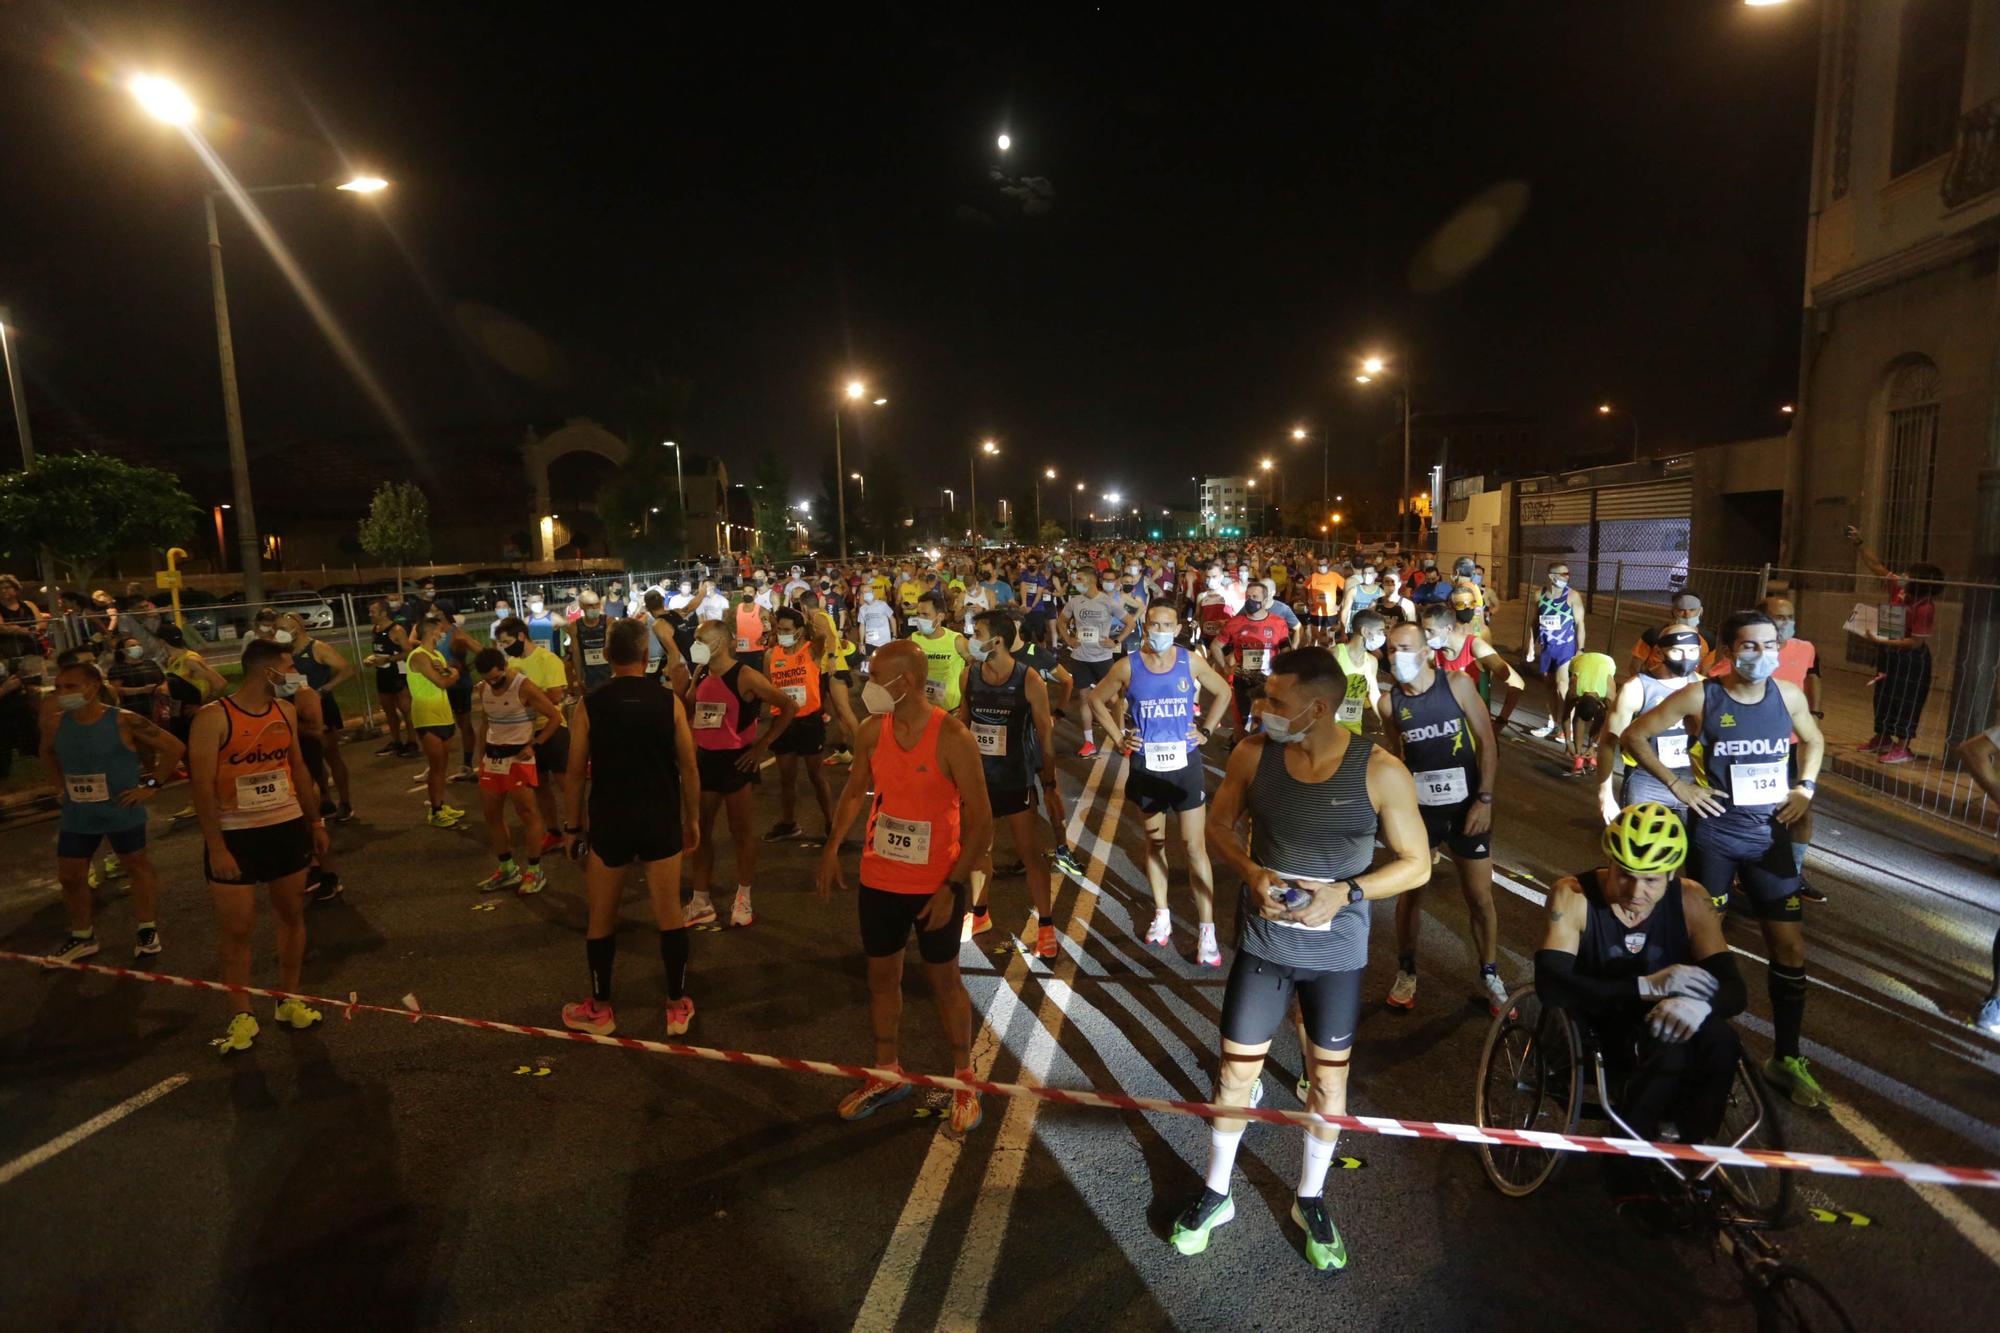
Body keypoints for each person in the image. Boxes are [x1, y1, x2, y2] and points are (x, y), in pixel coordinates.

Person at [1171, 646, 1431, 1269]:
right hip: (1265, 945)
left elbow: (1418, 862)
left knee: (1330, 1084)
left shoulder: (1380, 770)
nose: (1260, 708)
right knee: (1235, 1074)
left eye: (1274, 700)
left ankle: (1309, 1197)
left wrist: (1348, 891)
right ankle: (1216, 1191)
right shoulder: (1252, 754)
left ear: (1317, 708)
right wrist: (1251, 871)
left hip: (1335, 955)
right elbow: (1218, 828)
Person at [1621, 610, 1829, 1110]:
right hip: (1714, 836)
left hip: (1769, 838)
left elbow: (1816, 740)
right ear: (1731, 652)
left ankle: (1787, 1058)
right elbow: (1634, 736)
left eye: (1769, 645)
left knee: (1790, 950)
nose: (1761, 655)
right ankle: (1689, 1045)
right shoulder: (1701, 695)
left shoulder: (1790, 696)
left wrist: (1805, 786)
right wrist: (1678, 785)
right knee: (1703, 946)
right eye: (1749, 647)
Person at [815, 640, 992, 1135]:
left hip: (936, 882)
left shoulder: (953, 737)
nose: (866, 684)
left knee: (945, 982)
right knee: (881, 978)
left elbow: (982, 823)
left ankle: (963, 1079)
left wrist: (950, 886)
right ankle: (887, 1072)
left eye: (875, 676)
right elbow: (855, 790)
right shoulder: (874, 731)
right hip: (880, 878)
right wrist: (833, 846)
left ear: (906, 682)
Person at [1535, 803, 1747, 1145]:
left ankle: (1695, 1146)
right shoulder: (1572, 895)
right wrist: (1645, 986)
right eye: (1624, 875)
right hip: (1599, 1016)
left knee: (1723, 1040)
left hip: (1668, 1014)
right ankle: (1627, 1167)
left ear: (1671, 874)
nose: (1635, 892)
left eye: (1650, 880)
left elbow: (1735, 989)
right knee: (1668, 1052)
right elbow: (1551, 985)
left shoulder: (1692, 899)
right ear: (1610, 863)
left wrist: (1702, 1006)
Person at [559, 619, 704, 1036]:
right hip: (659, 816)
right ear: (646, 657)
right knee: (669, 914)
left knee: (601, 917)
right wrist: (691, 818)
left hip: (610, 818)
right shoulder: (669, 702)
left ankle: (600, 1008)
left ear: (607, 657)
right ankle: (676, 1004)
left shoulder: (590, 704)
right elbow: (689, 766)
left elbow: (574, 774)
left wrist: (572, 827)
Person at [189, 637, 330, 1054]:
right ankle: (242, 1014)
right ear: (267, 672)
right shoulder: (213, 718)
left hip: (284, 827)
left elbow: (298, 769)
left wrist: (316, 822)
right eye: (289, 669)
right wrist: (216, 846)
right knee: (237, 929)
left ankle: (289, 998)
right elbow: (200, 786)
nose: (295, 677)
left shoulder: (285, 711)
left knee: (291, 917)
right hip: (235, 836)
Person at [1377, 622, 1511, 1015]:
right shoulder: (1389, 704)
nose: (1393, 655)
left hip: (1467, 806)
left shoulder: (1456, 685)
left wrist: (1484, 800)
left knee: (1480, 897)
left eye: (1402, 647)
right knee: (1412, 892)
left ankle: (1490, 974)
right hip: (1419, 814)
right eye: (1389, 649)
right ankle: (1406, 970)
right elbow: (1397, 752)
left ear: (1424, 651)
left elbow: (1487, 741)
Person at [1089, 602, 1232, 963]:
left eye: (1167, 624)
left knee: (1194, 847)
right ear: (1145, 626)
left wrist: (1206, 730)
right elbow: (1095, 698)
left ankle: (1206, 929)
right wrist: (1119, 737)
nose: (1160, 630)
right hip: (1147, 765)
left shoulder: (1191, 661)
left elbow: (1224, 692)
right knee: (1155, 842)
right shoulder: (1127, 666)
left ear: (1177, 626)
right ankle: (1163, 914)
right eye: (1154, 624)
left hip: (1185, 763)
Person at [39, 660, 183, 961]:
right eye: (59, 688)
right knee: (70, 875)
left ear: (93, 687)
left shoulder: (123, 720)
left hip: (120, 808)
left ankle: (147, 928)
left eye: (71, 686)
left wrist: (152, 785)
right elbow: (47, 752)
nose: (63, 693)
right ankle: (83, 936)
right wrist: (58, 787)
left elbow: (173, 747)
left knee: (135, 865)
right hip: (79, 812)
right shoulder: (55, 722)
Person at [960, 609, 1061, 956]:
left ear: (997, 640)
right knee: (978, 850)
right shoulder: (969, 675)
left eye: (978, 633)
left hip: (1016, 778)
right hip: (978, 780)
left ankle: (1046, 926)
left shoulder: (1029, 679)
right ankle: (979, 913)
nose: (972, 639)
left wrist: (1049, 779)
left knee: (1029, 853)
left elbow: (1045, 734)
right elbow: (962, 724)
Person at [682, 620, 794, 928]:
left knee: (740, 832)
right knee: (700, 830)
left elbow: (788, 706)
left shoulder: (746, 676)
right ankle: (701, 900)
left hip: (736, 762)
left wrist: (761, 747)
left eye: (700, 639)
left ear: (719, 643)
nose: (695, 644)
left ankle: (743, 897)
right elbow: (690, 706)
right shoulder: (701, 671)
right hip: (705, 760)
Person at [471, 646, 564, 894]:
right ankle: (507, 869)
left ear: (504, 668)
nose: (492, 683)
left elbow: (554, 717)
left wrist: (535, 745)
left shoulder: (524, 686)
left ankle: (535, 871)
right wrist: (481, 758)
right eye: (487, 679)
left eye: (496, 677)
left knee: (527, 813)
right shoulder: (484, 688)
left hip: (518, 758)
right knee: (492, 814)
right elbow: (485, 724)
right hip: (493, 758)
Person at [1848, 526, 1941, 766]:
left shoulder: (1924, 606)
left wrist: (1882, 641)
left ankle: (1903, 746)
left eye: (1908, 574)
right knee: (1883, 694)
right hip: (1889, 652)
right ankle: (1882, 736)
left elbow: (1916, 641)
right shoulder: (1900, 590)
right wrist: (1860, 543)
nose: (1903, 575)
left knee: (1906, 698)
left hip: (1910, 659)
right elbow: (1877, 567)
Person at [1597, 628, 1704, 823]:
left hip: (1691, 781)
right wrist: (1605, 795)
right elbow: (1607, 742)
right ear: (1658, 652)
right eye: (1677, 651)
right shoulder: (1637, 688)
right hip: (1647, 781)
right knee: (1643, 847)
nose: (1686, 658)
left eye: (1692, 651)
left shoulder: (1704, 686)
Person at [494, 615, 571, 855]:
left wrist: (524, 700)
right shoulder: (512, 665)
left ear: (521, 636)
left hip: (553, 729)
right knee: (541, 787)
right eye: (501, 644)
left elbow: (555, 697)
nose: (505, 647)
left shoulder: (548, 660)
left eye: (507, 641)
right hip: (525, 733)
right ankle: (554, 832)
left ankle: (580, 831)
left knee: (567, 785)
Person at [762, 606, 836, 844]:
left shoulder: (811, 650)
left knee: (817, 776)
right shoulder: (770, 655)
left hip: (809, 722)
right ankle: (788, 823)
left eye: (786, 629)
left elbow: (824, 635)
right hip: (783, 722)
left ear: (799, 631)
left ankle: (832, 824)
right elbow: (768, 686)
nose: (781, 633)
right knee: (786, 778)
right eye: (779, 628)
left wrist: (808, 619)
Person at [279, 613, 355, 821]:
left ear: (298, 627)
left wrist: (325, 689)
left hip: (321, 709)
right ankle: (325, 800)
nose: (280, 633)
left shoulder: (317, 647)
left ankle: (345, 802)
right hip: (297, 710)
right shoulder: (286, 653)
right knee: (310, 759)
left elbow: (348, 669)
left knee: (331, 754)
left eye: (284, 628)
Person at [1209, 581, 1292, 744]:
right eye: (1248, 597)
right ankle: (1238, 757)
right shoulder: (1236, 622)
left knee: (1267, 724)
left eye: (1255, 597)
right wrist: (1227, 668)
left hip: (1269, 681)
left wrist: (1282, 672)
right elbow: (1215, 646)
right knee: (1241, 726)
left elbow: (1286, 649)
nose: (1250, 600)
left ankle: (1261, 762)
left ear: (1265, 599)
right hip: (1243, 681)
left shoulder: (1278, 622)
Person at [1422, 593, 1522, 726]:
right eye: (1424, 631)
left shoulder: (1476, 647)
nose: (1426, 636)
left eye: (1430, 631)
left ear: (1448, 628)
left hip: (1475, 728)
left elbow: (1517, 683)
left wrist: (1501, 721)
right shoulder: (1433, 652)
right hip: (1445, 726)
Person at [405, 615, 467, 828]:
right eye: (440, 631)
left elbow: (446, 674)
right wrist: (455, 674)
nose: (443, 634)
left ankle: (440, 804)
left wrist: (451, 673)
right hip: (427, 717)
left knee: (442, 766)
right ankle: (435, 811)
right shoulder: (419, 656)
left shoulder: (437, 654)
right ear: (431, 632)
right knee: (436, 765)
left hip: (443, 714)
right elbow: (442, 680)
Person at [1058, 566, 1125, 757]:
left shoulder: (1107, 602)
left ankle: (1120, 736)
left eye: (1079, 579)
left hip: (1103, 658)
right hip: (1080, 658)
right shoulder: (1074, 602)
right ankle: (1089, 743)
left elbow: (1128, 622)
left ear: (1091, 580)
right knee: (1084, 699)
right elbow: (1061, 621)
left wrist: (1115, 641)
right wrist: (1068, 640)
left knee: (1113, 699)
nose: (1075, 582)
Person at [1525, 562, 1586, 740]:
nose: (1567, 577)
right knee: (1549, 686)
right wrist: (1531, 645)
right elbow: (1535, 622)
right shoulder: (1539, 594)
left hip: (1565, 647)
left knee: (1562, 686)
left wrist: (1580, 649)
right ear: (1552, 576)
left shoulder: (1572, 596)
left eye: (1568, 574)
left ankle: (1568, 727)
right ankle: (1551, 723)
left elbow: (1580, 624)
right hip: (1547, 647)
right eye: (1563, 574)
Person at [363, 598, 415, 757]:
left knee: (405, 709)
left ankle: (412, 742)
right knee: (388, 708)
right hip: (382, 673)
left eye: (373, 611)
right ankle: (396, 741)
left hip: (397, 673)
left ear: (383, 613)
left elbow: (408, 651)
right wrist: (371, 659)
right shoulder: (376, 629)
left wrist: (387, 660)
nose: (369, 614)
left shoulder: (397, 630)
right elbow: (380, 650)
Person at [1556, 649, 1617, 775]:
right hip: (1579, 661)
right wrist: (1567, 742)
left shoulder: (1609, 694)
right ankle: (1578, 757)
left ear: (1601, 704)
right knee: (1579, 718)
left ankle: (1591, 754)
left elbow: (1610, 721)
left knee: (1602, 716)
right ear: (1577, 701)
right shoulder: (1573, 691)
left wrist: (1594, 745)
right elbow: (1566, 715)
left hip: (1606, 662)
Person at [1623, 593, 1707, 684]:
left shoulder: (1708, 640)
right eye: (1681, 610)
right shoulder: (1654, 635)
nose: (1687, 614)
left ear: (1700, 611)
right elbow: (1635, 666)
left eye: (1692, 610)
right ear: (1673, 611)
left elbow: (1706, 671)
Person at [910, 590, 971, 711]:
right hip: (923, 709)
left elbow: (977, 668)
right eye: (918, 614)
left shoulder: (957, 641)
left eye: (925, 614)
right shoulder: (913, 639)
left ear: (940, 617)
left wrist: (965, 704)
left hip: (951, 711)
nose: (920, 618)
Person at [1333, 611, 1385, 735]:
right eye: (1380, 631)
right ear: (1365, 632)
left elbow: (1374, 694)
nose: (1383, 636)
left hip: (1355, 728)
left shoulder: (1372, 661)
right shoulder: (1335, 655)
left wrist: (1385, 721)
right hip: (1331, 728)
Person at [567, 589, 614, 695]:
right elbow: (576, 653)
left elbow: (615, 650)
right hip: (589, 675)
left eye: (597, 604)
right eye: (590, 605)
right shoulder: (574, 626)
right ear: (581, 605)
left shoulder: (609, 622)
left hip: (608, 673)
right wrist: (579, 678)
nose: (594, 608)